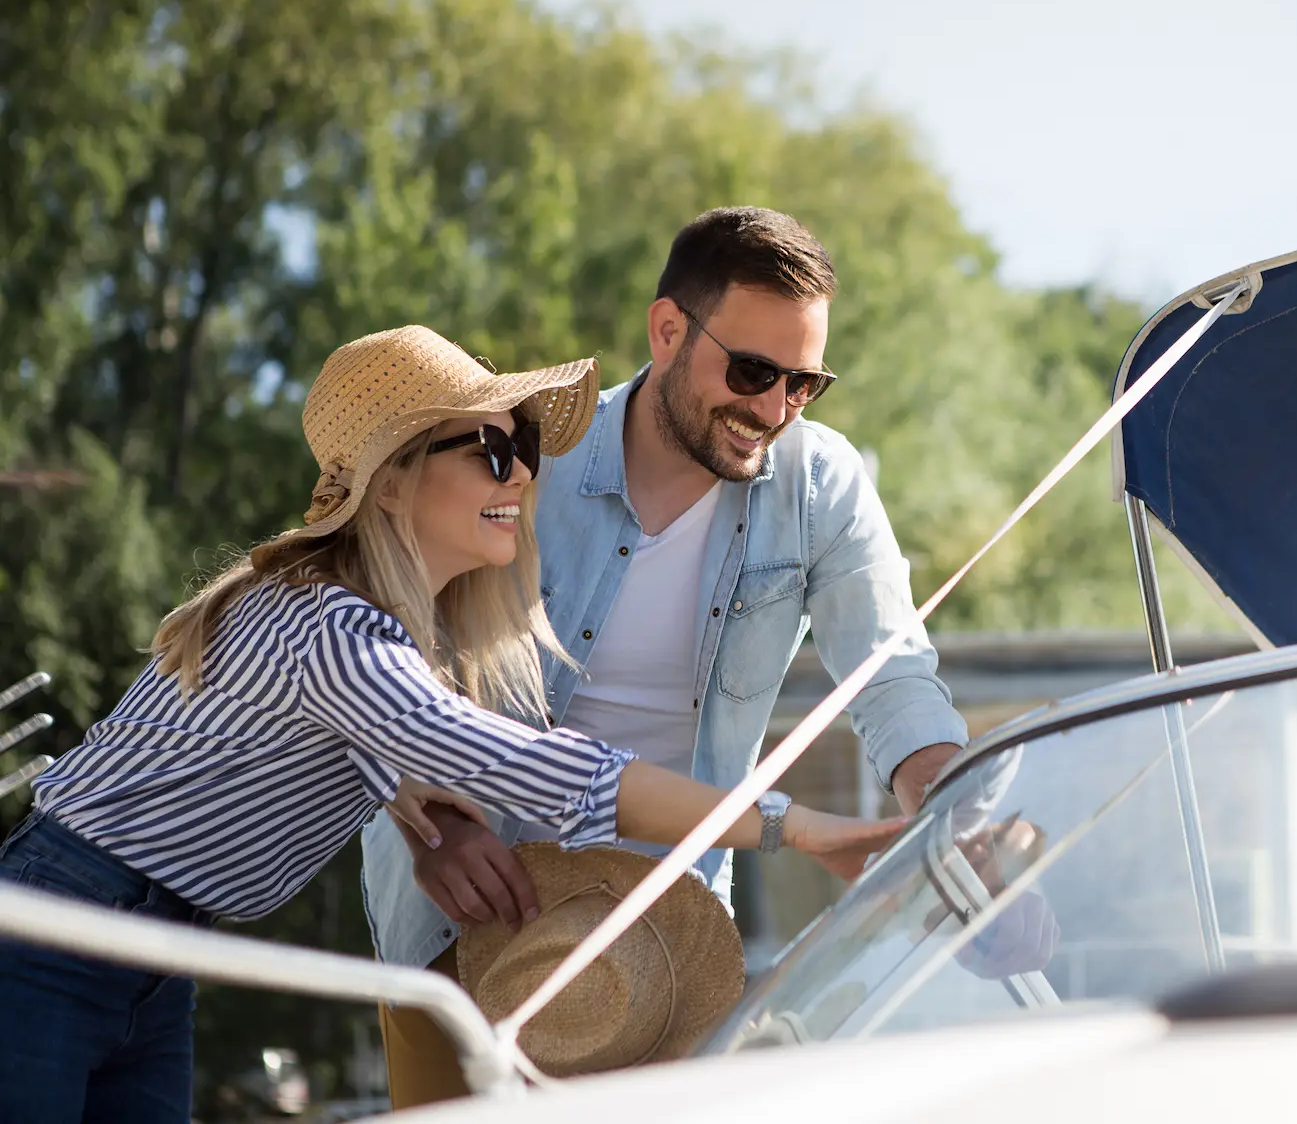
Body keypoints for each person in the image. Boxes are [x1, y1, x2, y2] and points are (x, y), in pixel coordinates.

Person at [0, 325, 898, 1124]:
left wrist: (430, 820)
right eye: (489, 450)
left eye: (525, 448)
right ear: (393, 483)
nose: (521, 474)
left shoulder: (376, 630)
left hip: (145, 944)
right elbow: (546, 771)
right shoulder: (336, 632)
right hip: (62, 928)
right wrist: (800, 828)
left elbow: (394, 749)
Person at [362, 207, 974, 1106]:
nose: (773, 409)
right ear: (668, 329)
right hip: (463, 908)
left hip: (665, 946)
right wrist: (433, 825)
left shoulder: (825, 486)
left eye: (805, 384)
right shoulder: (527, 462)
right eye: (754, 371)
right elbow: (383, 649)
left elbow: (893, 679)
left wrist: (953, 821)